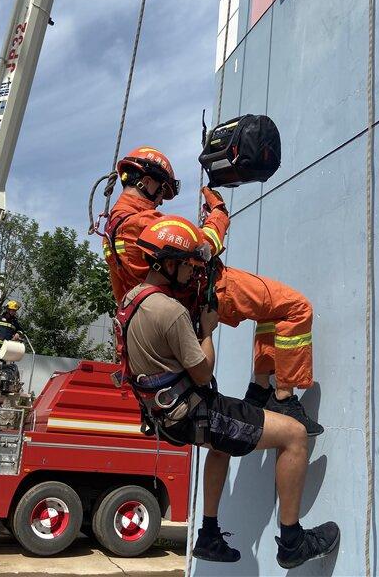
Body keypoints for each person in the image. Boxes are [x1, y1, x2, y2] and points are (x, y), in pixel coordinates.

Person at [115, 216, 339, 568]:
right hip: (196, 411)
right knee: (294, 435)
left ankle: (208, 535)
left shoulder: (132, 301)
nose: (192, 273)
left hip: (168, 416)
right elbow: (203, 372)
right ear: (169, 264)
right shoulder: (171, 311)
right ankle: (293, 542)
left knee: (220, 447)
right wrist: (207, 330)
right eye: (187, 266)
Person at [103, 146, 322, 436]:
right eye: (162, 190)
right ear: (148, 181)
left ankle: (259, 390)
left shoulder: (112, 228)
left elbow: (123, 292)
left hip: (184, 297)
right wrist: (218, 213)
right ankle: (283, 398)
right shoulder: (141, 222)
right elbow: (202, 249)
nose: (160, 199)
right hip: (209, 286)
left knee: (269, 314)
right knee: (295, 307)